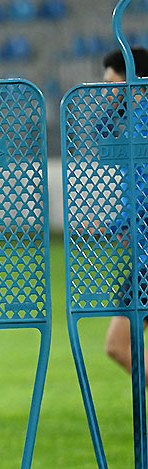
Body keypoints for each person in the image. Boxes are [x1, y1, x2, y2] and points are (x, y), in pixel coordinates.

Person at [102, 46, 148, 378]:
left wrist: (124, 222)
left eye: (111, 83)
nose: (105, 93)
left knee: (117, 344)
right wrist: (121, 223)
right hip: (143, 252)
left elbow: (142, 188)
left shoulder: (142, 124)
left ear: (134, 81)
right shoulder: (135, 122)